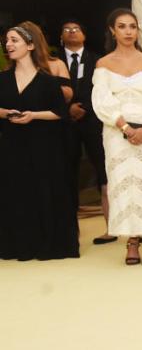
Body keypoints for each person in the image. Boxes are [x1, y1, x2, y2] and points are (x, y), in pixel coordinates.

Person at [91, 8, 142, 265]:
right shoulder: (103, 64)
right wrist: (125, 128)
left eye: (132, 26)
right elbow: (102, 102)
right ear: (112, 30)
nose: (128, 31)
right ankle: (132, 240)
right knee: (123, 183)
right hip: (116, 132)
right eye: (122, 26)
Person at [0, 23, 77, 261]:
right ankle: (20, 244)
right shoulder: (2, 79)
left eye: (14, 40)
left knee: (43, 190)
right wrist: (6, 113)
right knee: (16, 192)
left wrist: (33, 115)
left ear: (30, 45)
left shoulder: (48, 81)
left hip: (43, 145)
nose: (8, 44)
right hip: (12, 145)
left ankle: (48, 243)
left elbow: (60, 113)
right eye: (7, 40)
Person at [55, 19, 111, 243]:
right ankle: (69, 228)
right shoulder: (53, 61)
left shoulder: (97, 59)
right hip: (63, 122)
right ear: (61, 36)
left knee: (103, 168)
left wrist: (84, 107)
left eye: (76, 29)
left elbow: (101, 89)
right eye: (66, 29)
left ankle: (112, 226)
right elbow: (50, 90)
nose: (71, 32)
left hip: (93, 121)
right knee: (66, 170)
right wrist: (68, 108)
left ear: (84, 35)